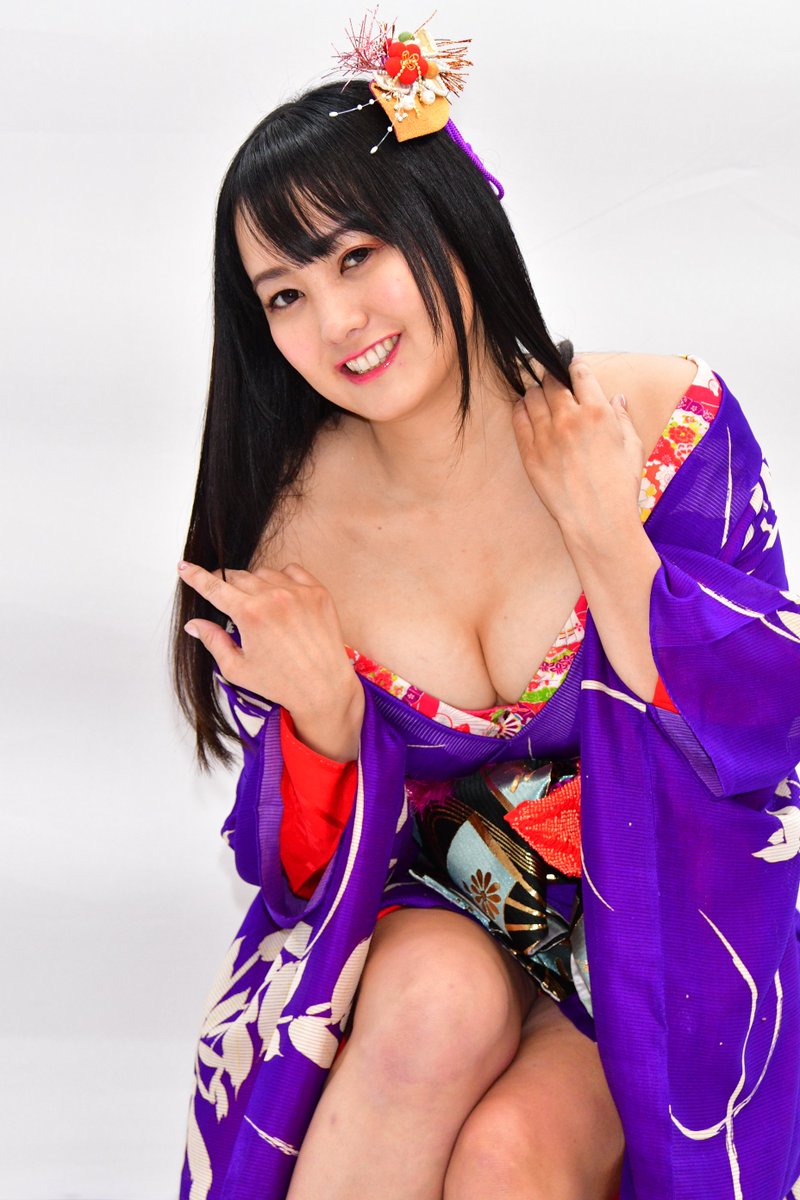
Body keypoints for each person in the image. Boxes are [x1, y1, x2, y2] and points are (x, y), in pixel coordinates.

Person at [171, 41, 800, 1200]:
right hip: (441, 917)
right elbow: (292, 875)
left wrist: (606, 537)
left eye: (356, 255)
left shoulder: (652, 422)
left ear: (445, 215)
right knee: (428, 1005)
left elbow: (766, 729)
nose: (336, 320)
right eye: (285, 296)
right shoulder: (284, 539)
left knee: (509, 1159)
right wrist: (322, 725)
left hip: (676, 917)